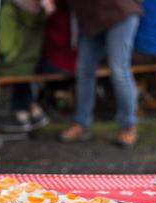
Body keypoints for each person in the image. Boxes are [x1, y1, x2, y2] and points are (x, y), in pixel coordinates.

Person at [61, 0, 143, 148]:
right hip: (91, 20)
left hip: (120, 13)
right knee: (84, 71)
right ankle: (81, 122)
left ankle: (129, 126)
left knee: (119, 70)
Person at [0, 0, 52, 132]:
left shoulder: (8, 11)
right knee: (23, 74)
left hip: (12, 64)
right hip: (32, 61)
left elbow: (4, 47)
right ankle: (30, 108)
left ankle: (24, 111)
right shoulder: (39, 13)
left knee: (11, 71)